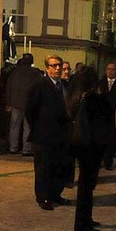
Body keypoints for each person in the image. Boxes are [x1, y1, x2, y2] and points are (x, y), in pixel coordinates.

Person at [25, 55, 73, 211]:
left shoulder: (64, 85)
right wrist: (38, 127)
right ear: (47, 68)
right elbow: (30, 110)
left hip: (61, 135)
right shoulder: (39, 85)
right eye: (54, 66)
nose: (57, 68)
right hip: (43, 135)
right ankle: (43, 197)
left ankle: (55, 194)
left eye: (59, 65)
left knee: (58, 166)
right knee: (43, 168)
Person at [66, 66, 109, 231]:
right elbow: (105, 118)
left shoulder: (74, 98)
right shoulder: (94, 99)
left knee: (85, 184)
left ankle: (85, 219)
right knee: (87, 185)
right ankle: (82, 223)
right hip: (92, 145)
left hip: (80, 144)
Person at [4, 53, 42, 155]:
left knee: (14, 126)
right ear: (32, 62)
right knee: (28, 127)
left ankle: (13, 147)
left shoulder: (15, 72)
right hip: (30, 104)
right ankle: (26, 149)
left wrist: (8, 102)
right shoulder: (36, 73)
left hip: (15, 102)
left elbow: (8, 87)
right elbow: (40, 89)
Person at [98, 62, 116, 170]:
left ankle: (108, 162)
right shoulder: (100, 83)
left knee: (111, 141)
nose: (110, 71)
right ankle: (99, 161)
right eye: (108, 69)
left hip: (113, 116)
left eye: (113, 69)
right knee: (100, 140)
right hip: (101, 117)